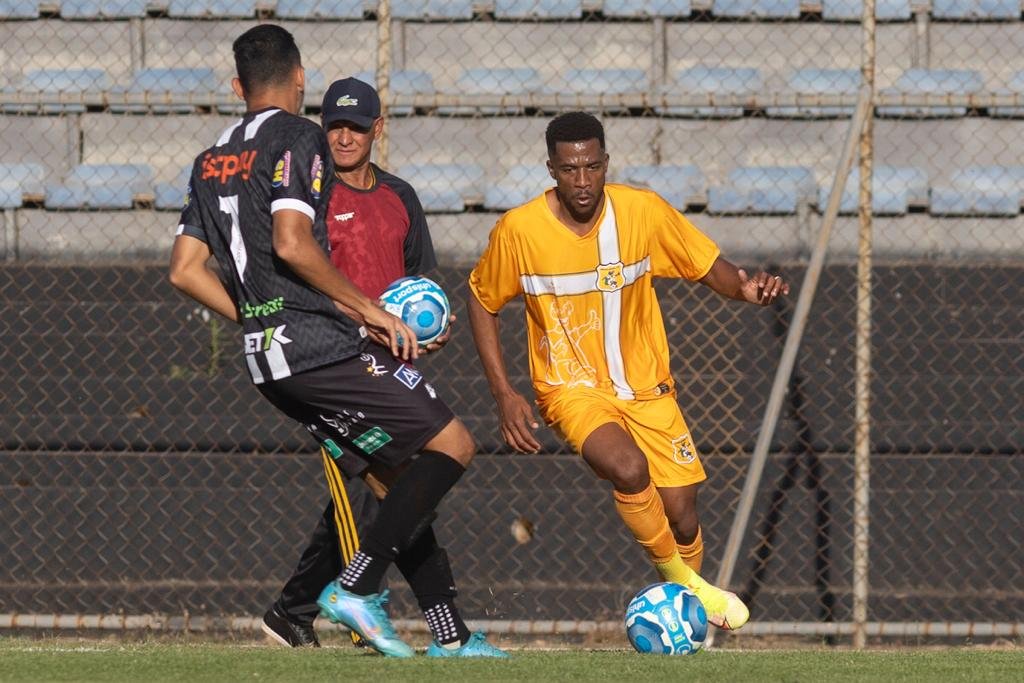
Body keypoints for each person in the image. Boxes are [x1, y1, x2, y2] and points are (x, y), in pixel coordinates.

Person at [167, 25, 496, 658]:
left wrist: (256, 317)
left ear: (238, 86)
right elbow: (292, 244)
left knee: (397, 480)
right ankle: (356, 589)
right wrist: (369, 309)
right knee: (452, 444)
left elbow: (184, 269)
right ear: (299, 80)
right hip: (322, 344)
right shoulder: (299, 139)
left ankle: (446, 635)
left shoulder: (210, 159)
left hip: (270, 356)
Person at [466, 111, 790, 631]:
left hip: (647, 389)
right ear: (551, 167)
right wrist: (504, 392)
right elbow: (482, 301)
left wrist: (747, 290)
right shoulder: (519, 230)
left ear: (605, 163)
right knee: (628, 467)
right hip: (570, 389)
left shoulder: (641, 212)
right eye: (569, 169)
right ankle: (689, 590)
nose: (582, 181)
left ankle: (679, 619)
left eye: (592, 167)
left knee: (683, 513)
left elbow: (710, 268)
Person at [261, 75, 505, 658]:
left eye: (357, 126)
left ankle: (294, 614)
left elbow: (422, 281)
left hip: (392, 367)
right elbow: (292, 277)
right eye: (335, 125)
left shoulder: (400, 196)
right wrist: (355, 320)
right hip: (333, 363)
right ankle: (369, 610)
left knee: (398, 493)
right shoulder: (308, 198)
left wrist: (433, 326)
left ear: (378, 128)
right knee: (384, 492)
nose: (344, 137)